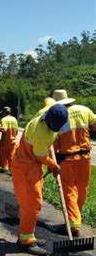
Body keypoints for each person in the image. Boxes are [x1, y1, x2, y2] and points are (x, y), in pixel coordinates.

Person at [11, 103, 68, 256]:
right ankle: (25, 241)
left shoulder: (46, 113)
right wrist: (53, 164)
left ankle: (29, 234)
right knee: (32, 204)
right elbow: (40, 156)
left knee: (34, 200)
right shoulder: (40, 132)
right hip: (25, 167)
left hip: (32, 167)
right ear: (48, 120)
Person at [52, 89, 96, 237]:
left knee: (69, 191)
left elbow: (54, 144)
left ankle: (73, 225)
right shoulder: (84, 110)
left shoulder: (58, 117)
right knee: (82, 189)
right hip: (85, 157)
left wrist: (53, 161)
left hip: (67, 159)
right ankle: (75, 218)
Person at [0, 106, 19, 172]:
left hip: (5, 141)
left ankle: (4, 167)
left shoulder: (4, 119)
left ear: (5, 113)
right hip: (13, 140)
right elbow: (16, 131)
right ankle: (12, 169)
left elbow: (4, 129)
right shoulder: (14, 119)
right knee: (11, 155)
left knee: (1, 152)